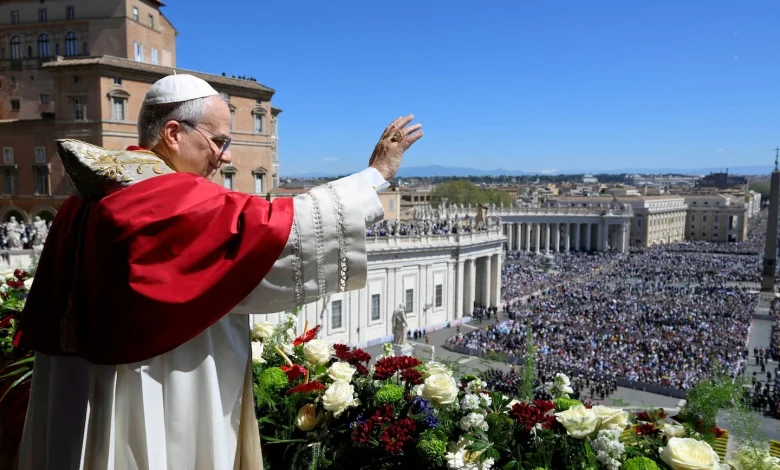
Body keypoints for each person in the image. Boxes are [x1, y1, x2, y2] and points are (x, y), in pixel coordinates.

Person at [14, 74, 423, 470]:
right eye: (218, 141)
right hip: (156, 384)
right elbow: (276, 229)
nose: (225, 155)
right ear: (173, 133)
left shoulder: (92, 191)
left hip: (81, 386)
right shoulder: (166, 196)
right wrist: (376, 175)